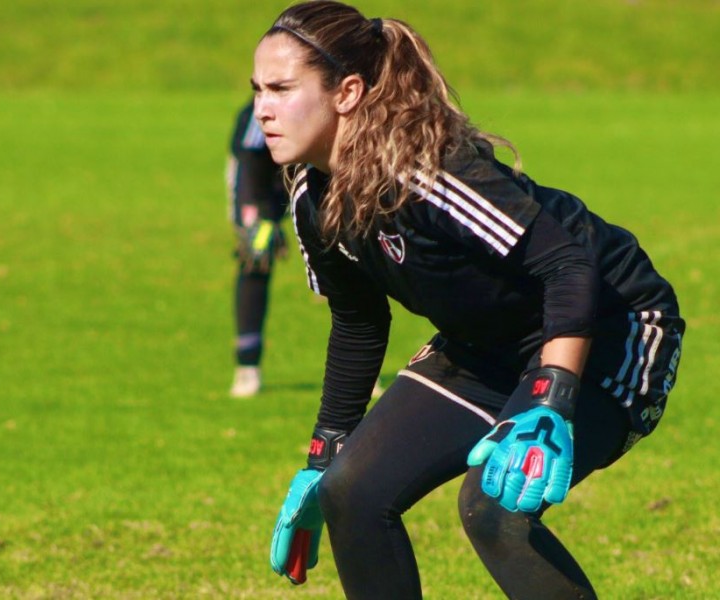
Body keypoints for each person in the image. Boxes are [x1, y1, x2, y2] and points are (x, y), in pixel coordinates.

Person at [254, 2, 685, 598]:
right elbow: (357, 320)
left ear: (347, 92)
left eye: (280, 88)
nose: (261, 110)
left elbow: (568, 265)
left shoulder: (424, 171)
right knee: (351, 492)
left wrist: (550, 401)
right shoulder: (310, 192)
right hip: (487, 344)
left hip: (614, 325)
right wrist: (325, 454)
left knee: (495, 503)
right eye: (256, 91)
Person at [226, 99, 290, 397]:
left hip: (311, 172)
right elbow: (250, 161)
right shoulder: (261, 110)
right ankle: (247, 366)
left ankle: (362, 375)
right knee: (256, 258)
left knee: (347, 263)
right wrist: (262, 215)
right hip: (258, 181)